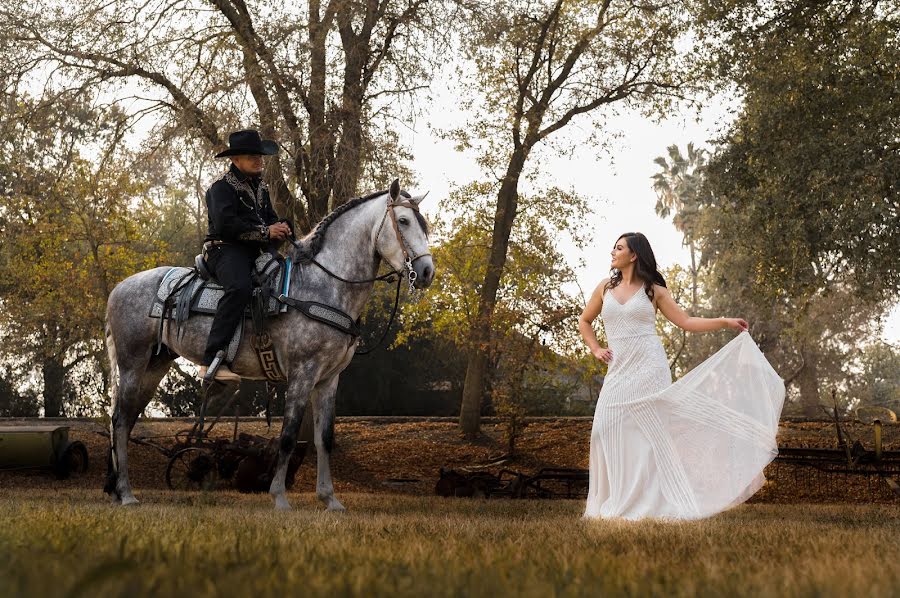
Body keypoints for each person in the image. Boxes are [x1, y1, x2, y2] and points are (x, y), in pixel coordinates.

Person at [578, 232, 784, 520]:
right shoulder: (604, 288)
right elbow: (585, 321)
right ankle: (613, 500)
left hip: (649, 368)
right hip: (619, 370)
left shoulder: (654, 290)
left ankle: (648, 501)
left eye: (619, 248)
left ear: (634, 254)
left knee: (649, 436)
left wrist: (724, 321)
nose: (613, 252)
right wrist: (596, 348)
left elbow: (685, 322)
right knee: (603, 432)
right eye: (614, 247)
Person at [199, 130, 293, 382]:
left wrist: (281, 227)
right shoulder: (220, 188)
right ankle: (209, 361)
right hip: (223, 249)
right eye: (252, 156)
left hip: (253, 251)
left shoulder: (260, 187)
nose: (259, 160)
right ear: (236, 160)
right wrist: (266, 231)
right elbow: (225, 226)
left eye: (260, 156)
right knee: (240, 288)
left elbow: (270, 219)